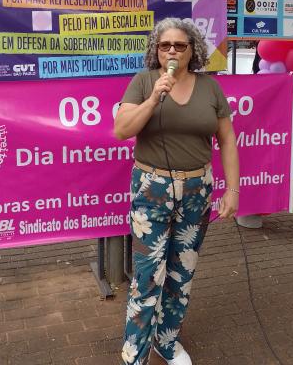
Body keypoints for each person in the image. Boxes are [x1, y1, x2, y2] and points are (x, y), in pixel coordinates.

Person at [115, 18, 239, 365]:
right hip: (152, 188)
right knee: (147, 276)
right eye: (164, 45)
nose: (171, 51)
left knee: (181, 272)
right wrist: (154, 98)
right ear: (156, 50)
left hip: (197, 189)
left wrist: (233, 189)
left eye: (179, 45)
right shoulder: (144, 82)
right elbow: (121, 130)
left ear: (192, 50)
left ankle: (166, 342)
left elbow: (227, 140)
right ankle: (134, 354)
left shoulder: (210, 88)